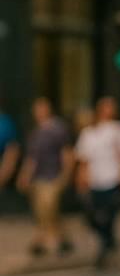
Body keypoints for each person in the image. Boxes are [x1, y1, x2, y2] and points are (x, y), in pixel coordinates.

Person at [74, 96, 120, 269]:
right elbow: (83, 159)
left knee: (110, 217)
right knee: (92, 217)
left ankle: (104, 250)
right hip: (95, 181)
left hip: (113, 179)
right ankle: (109, 242)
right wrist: (81, 179)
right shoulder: (88, 133)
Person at [16, 97, 75, 256]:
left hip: (53, 175)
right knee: (42, 211)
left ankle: (46, 241)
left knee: (48, 208)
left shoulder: (58, 129)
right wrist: (25, 175)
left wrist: (66, 174)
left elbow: (66, 152)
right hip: (38, 177)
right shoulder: (35, 132)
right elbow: (32, 158)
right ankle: (60, 240)